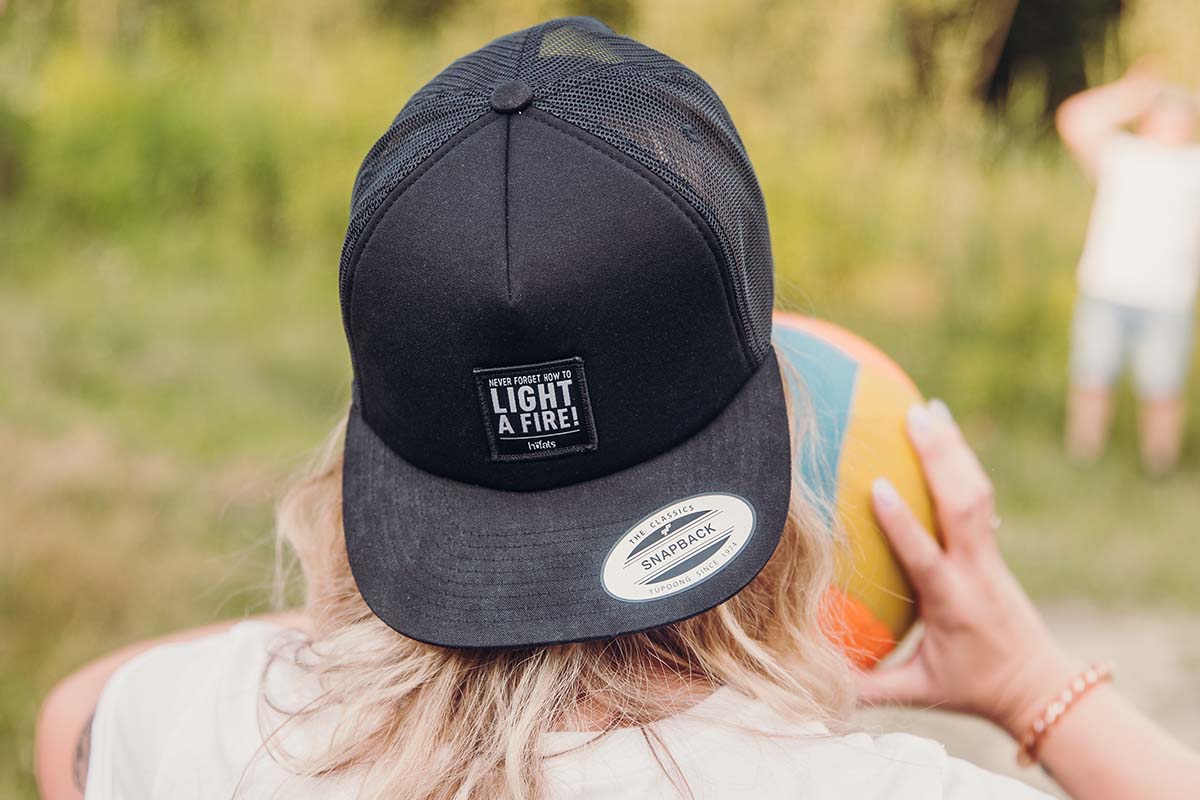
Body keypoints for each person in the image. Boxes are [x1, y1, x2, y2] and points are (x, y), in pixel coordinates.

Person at [34, 18, 1200, 800]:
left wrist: (377, 617)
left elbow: (73, 720)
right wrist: (1032, 685)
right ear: (767, 412)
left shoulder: (204, 728)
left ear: (376, 448)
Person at [1057, 62, 1200, 475]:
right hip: (1106, 291)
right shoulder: (1123, 154)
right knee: (1090, 381)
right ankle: (1082, 466)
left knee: (1163, 391)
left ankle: (1158, 473)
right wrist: (1132, 93)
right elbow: (1074, 119)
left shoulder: (1193, 166)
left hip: (1167, 299)